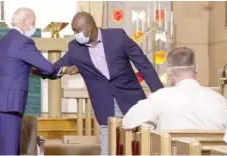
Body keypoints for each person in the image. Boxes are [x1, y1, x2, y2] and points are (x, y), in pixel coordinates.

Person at [36, 12, 163, 155]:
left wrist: (160, 95)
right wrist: (63, 69)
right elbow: (53, 69)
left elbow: (143, 64)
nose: (75, 34)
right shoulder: (75, 47)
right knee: (107, 151)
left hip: (132, 100)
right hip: (104, 107)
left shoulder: (117, 37)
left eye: (76, 30)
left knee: (140, 148)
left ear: (88, 28)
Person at [0, 8, 54, 155]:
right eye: (33, 22)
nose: (34, 27)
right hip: (10, 103)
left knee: (8, 148)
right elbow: (48, 68)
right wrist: (62, 70)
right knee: (9, 151)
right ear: (24, 22)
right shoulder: (23, 42)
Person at [122, 47, 227, 130]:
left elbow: (128, 122)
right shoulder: (220, 100)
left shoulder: (159, 97)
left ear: (169, 72)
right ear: (196, 69)